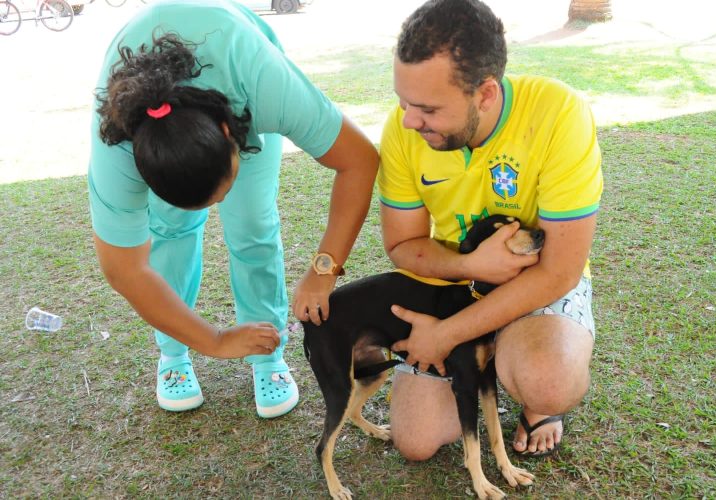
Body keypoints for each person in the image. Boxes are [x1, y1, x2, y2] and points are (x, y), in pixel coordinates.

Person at [89, 0, 378, 418]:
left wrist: (324, 270)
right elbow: (124, 270)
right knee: (170, 229)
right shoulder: (116, 148)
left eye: (220, 191)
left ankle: (266, 353)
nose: (217, 206)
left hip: (235, 80)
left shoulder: (263, 84)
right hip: (159, 122)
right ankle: (173, 353)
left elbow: (359, 160)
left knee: (252, 223)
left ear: (230, 134)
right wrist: (215, 340)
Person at [377, 0, 602, 458]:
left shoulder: (559, 113)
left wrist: (446, 335)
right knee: (416, 442)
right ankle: (491, 352)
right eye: (403, 101)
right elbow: (401, 244)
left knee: (549, 382)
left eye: (427, 108)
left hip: (534, 284)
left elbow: (560, 272)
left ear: (485, 94)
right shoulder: (404, 129)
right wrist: (471, 266)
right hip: (456, 282)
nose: (409, 121)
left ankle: (531, 390)